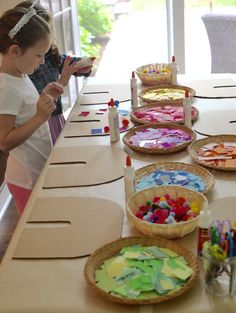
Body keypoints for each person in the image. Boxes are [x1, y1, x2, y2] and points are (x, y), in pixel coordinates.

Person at [0, 3, 74, 215]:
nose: (42, 62)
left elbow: (24, 114)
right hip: (25, 178)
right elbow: (4, 141)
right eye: (39, 55)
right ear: (15, 50)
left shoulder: (20, 75)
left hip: (35, 169)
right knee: (33, 231)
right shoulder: (7, 88)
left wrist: (47, 97)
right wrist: (40, 117)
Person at [16, 1, 94, 144]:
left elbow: (68, 62)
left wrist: (83, 65)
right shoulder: (25, 68)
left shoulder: (49, 54)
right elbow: (39, 104)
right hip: (42, 126)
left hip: (57, 119)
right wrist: (62, 82)